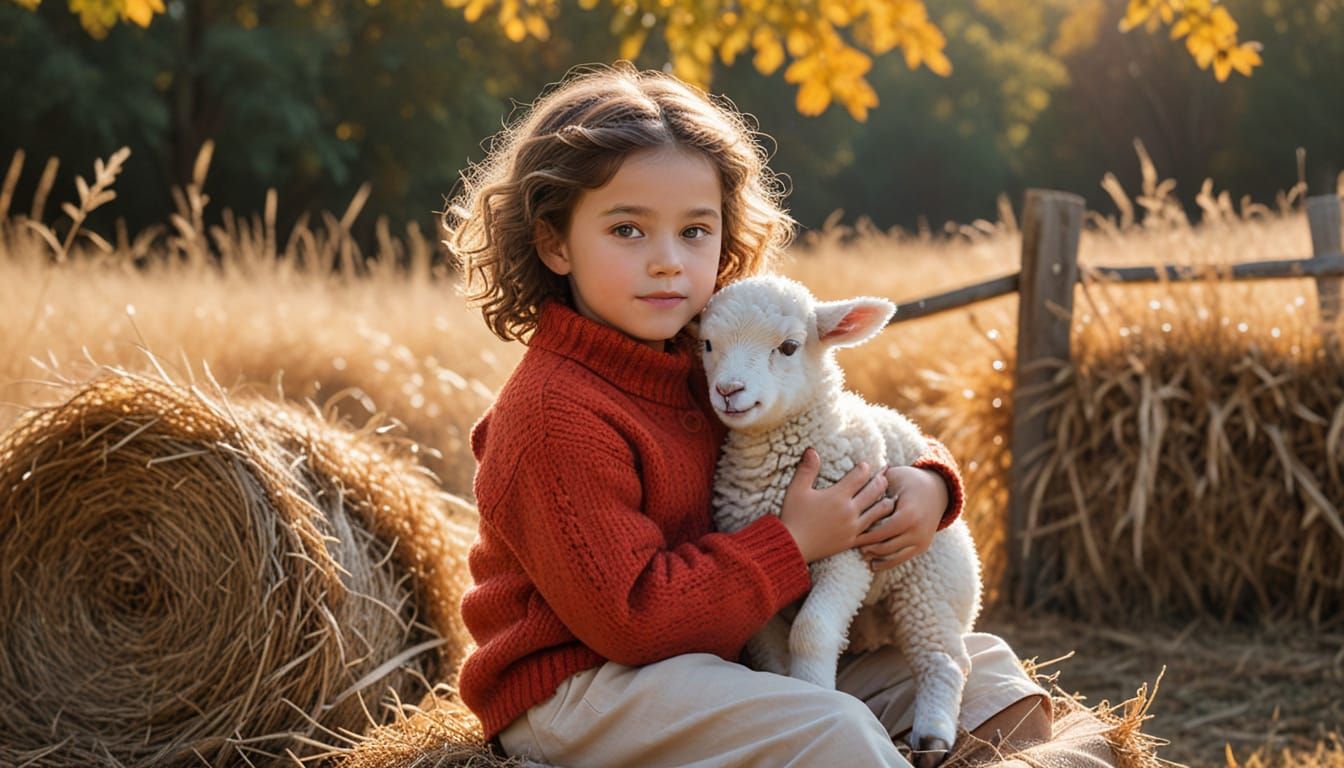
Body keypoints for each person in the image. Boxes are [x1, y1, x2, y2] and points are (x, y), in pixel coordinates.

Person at [447, 62, 1105, 768]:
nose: (669, 262)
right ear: (554, 243)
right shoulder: (554, 414)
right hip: (584, 687)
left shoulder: (718, 358)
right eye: (628, 230)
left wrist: (928, 484)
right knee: (831, 731)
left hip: (724, 650)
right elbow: (632, 621)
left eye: (695, 232)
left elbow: (842, 421)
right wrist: (794, 543)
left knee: (987, 676)